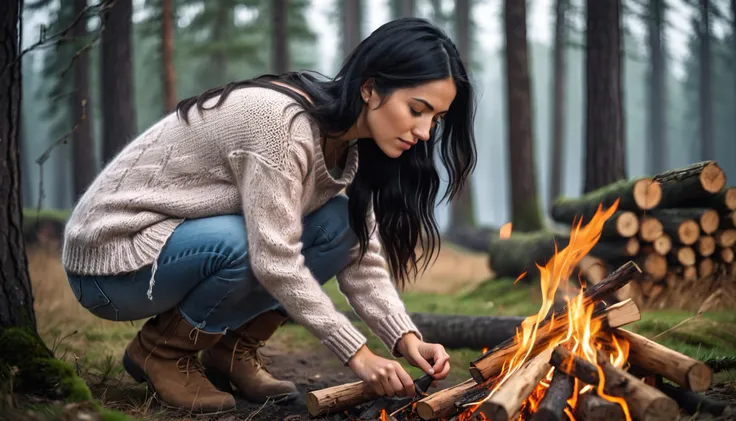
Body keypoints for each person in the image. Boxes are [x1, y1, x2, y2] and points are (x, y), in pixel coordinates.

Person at [62, 17, 477, 415]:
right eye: (417, 109)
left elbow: (360, 257)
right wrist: (357, 353)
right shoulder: (282, 126)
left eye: (435, 119)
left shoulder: (351, 145)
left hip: (173, 252)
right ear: (370, 88)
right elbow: (273, 258)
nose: (424, 132)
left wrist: (405, 338)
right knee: (246, 243)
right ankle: (162, 351)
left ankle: (231, 350)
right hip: (112, 259)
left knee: (340, 227)